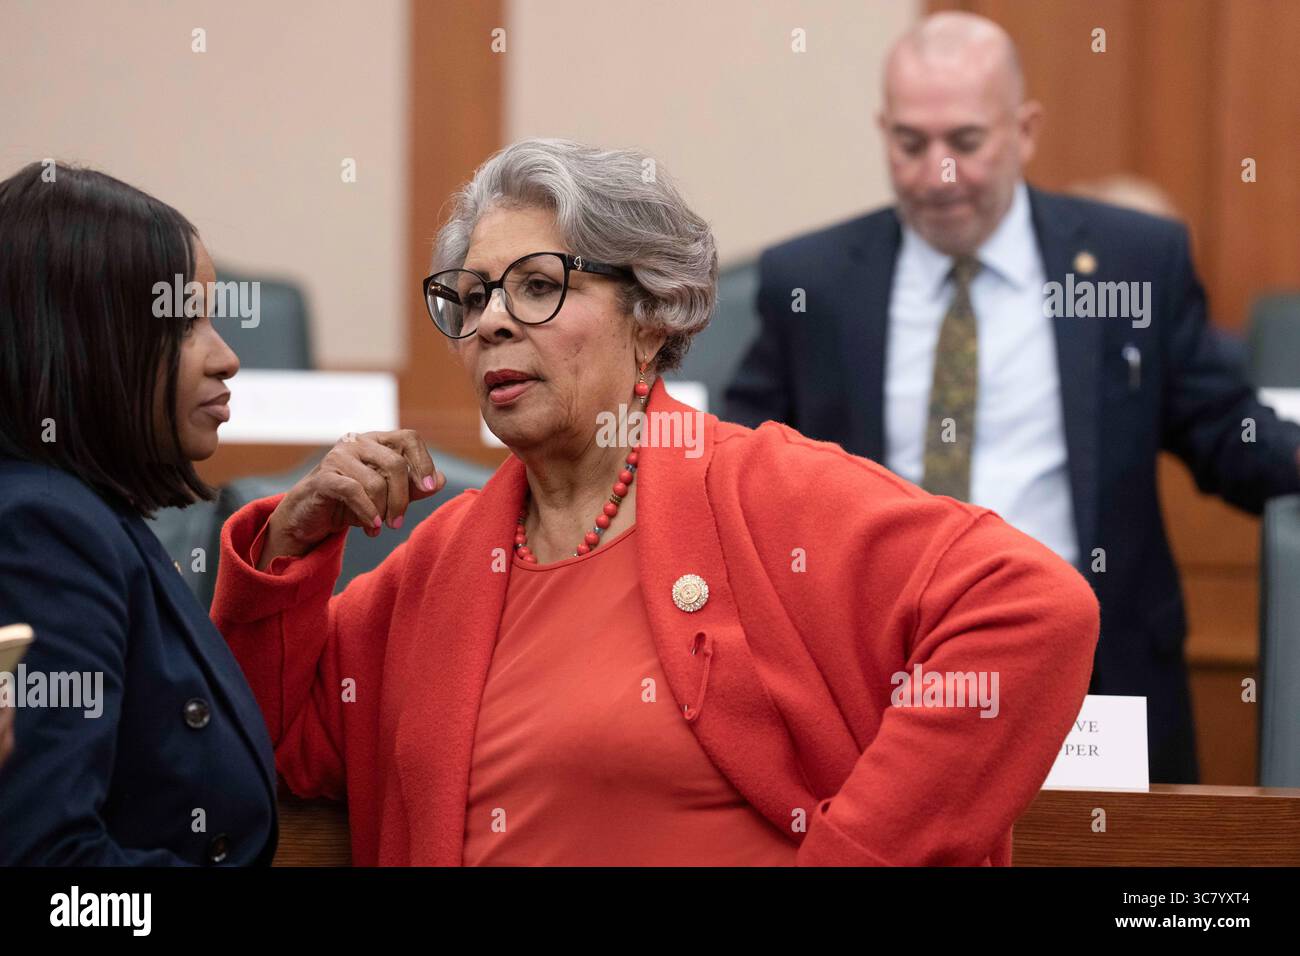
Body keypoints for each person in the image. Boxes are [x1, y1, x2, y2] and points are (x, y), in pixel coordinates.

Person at [212, 138, 1098, 867]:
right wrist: (289, 550)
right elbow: (249, 745)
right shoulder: (443, 564)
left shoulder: (763, 491)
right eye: (473, 297)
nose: (490, 323)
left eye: (537, 284)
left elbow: (1036, 612)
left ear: (652, 316)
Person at [723, 12, 1300, 784]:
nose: (938, 174)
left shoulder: (1132, 259)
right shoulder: (815, 281)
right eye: (911, 144)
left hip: (1094, 679)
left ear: (1024, 131)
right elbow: (739, 462)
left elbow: (1224, 432)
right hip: (871, 680)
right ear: (882, 131)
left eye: (966, 142)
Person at [0, 162, 276, 864]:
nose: (227, 358)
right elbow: (57, 881)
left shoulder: (82, 511)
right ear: (86, 337)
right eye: (186, 323)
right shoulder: (46, 529)